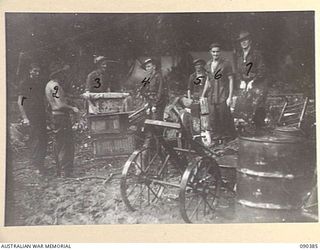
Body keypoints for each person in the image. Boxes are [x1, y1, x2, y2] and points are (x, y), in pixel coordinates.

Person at [45, 61, 79, 177]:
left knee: (59, 143)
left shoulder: (49, 84)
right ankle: (66, 171)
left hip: (55, 116)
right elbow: (60, 104)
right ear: (58, 74)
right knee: (66, 143)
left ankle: (60, 170)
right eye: (62, 74)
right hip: (61, 116)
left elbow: (56, 101)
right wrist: (73, 108)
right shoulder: (55, 86)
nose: (64, 76)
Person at [202, 43, 236, 141]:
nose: (215, 54)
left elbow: (231, 79)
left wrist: (230, 96)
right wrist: (203, 95)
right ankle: (216, 139)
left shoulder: (226, 63)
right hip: (211, 96)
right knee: (213, 117)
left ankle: (226, 139)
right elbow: (208, 80)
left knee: (223, 117)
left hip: (222, 95)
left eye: (217, 52)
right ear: (210, 52)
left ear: (220, 52)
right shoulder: (208, 65)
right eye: (213, 52)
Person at [17, 63, 48, 175]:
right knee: (36, 139)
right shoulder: (25, 84)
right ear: (30, 71)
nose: (37, 73)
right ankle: (36, 165)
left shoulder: (39, 83)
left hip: (41, 115)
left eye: (38, 71)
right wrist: (25, 117)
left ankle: (41, 163)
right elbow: (20, 102)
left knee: (43, 139)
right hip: (31, 116)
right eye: (35, 71)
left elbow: (42, 99)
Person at [235, 31, 269, 130]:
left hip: (258, 85)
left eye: (245, 40)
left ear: (250, 41)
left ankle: (259, 130)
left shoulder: (256, 54)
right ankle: (246, 131)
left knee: (258, 108)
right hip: (245, 85)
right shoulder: (240, 55)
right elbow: (238, 71)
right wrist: (241, 80)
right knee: (242, 107)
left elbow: (262, 70)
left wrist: (253, 81)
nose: (243, 42)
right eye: (241, 41)